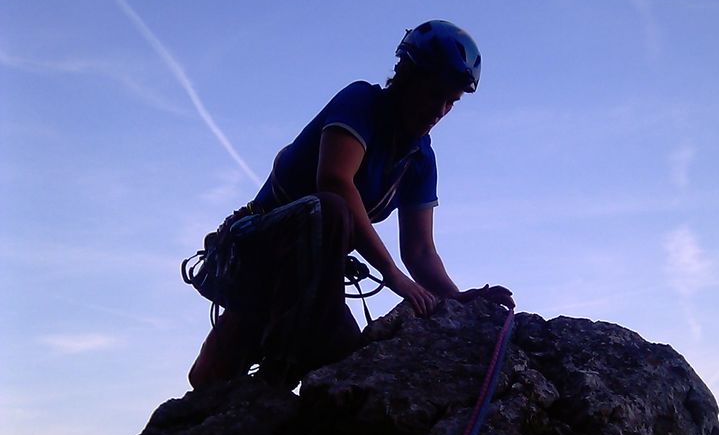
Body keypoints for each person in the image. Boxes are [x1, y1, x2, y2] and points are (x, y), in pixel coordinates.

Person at [186, 21, 513, 389]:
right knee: (328, 211)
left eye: (451, 101)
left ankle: (265, 370)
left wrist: (456, 297)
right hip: (262, 247)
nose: (440, 109)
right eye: (434, 92)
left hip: (313, 272)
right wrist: (391, 274)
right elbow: (335, 181)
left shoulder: (420, 158)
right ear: (407, 76)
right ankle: (274, 365)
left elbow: (420, 250)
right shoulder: (362, 103)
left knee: (342, 352)